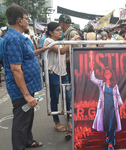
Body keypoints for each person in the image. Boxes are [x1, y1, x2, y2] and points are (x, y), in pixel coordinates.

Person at [3, 4, 50, 149]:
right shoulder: (14, 39)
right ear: (19, 20)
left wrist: (42, 49)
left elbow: (26, 57)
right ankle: (19, 146)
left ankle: (28, 141)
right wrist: (27, 95)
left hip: (27, 88)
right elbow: (16, 70)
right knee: (21, 120)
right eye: (26, 18)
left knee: (27, 117)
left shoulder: (18, 37)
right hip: (21, 91)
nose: (27, 20)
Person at [43, 22, 79, 134]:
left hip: (63, 74)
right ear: (50, 32)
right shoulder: (48, 41)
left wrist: (76, 55)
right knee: (54, 98)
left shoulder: (60, 42)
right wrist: (72, 40)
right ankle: (56, 121)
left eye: (61, 30)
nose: (60, 32)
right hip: (53, 73)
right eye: (57, 30)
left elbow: (63, 58)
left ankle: (67, 120)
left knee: (67, 98)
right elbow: (62, 52)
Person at [89, 62, 123, 150]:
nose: (107, 74)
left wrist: (120, 104)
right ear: (104, 74)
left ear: (112, 74)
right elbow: (93, 79)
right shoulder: (101, 83)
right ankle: (108, 135)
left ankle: (111, 143)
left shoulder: (114, 84)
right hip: (104, 108)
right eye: (106, 73)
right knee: (106, 124)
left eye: (109, 73)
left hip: (112, 107)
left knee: (112, 124)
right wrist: (92, 70)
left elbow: (118, 95)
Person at [59, 14, 80, 83]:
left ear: (61, 23)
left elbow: (76, 52)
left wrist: (64, 60)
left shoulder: (72, 33)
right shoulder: (67, 33)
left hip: (73, 64)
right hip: (69, 63)